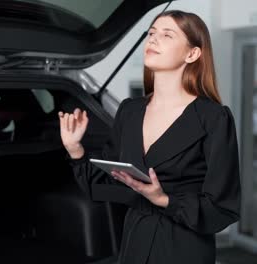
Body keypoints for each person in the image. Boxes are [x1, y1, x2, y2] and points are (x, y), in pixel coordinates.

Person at [58, 10, 241, 264]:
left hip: (183, 249)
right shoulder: (129, 110)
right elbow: (104, 186)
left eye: (167, 35)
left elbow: (223, 207)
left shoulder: (214, 118)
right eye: (152, 33)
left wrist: (164, 200)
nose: (153, 39)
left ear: (192, 54)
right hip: (135, 243)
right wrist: (75, 148)